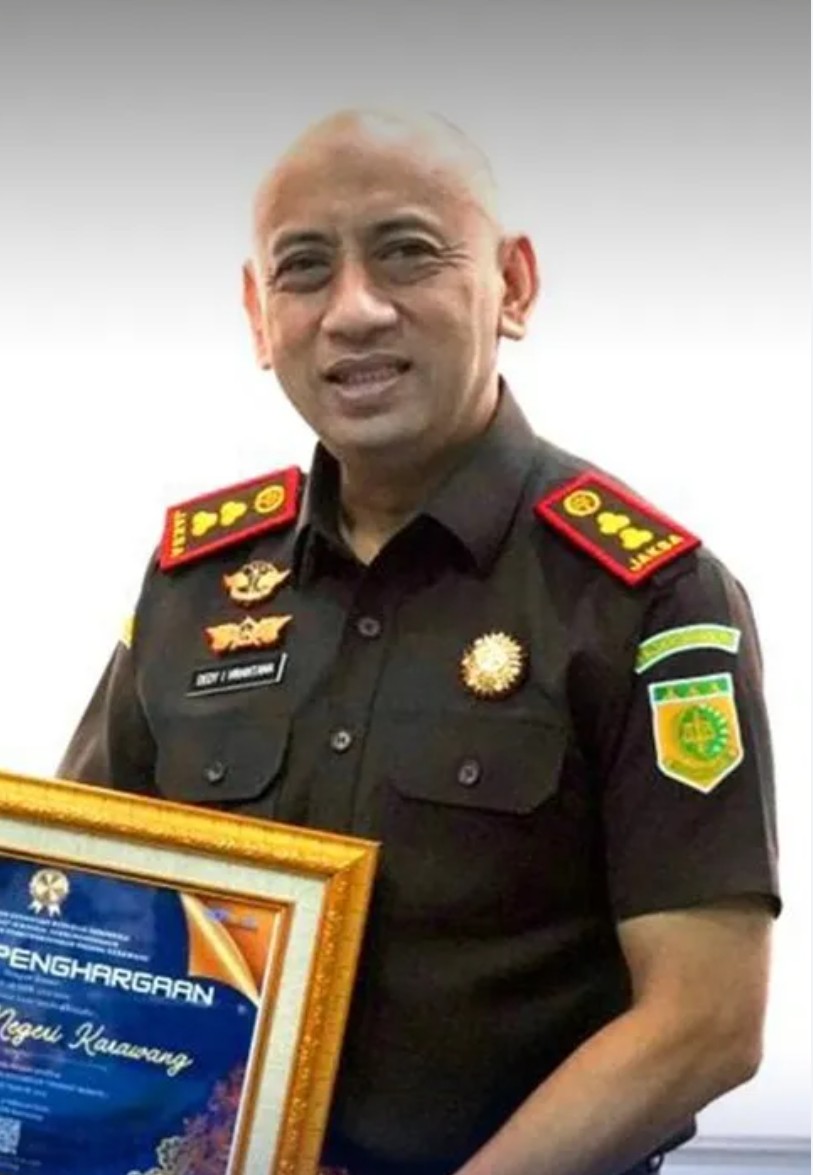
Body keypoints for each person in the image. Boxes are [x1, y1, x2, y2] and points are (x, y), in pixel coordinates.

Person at [59, 109, 780, 1175]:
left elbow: (705, 1020)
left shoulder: (647, 599)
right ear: (260, 315)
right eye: (305, 268)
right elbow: (72, 910)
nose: (354, 309)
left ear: (512, 286)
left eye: (407, 252)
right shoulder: (190, 585)